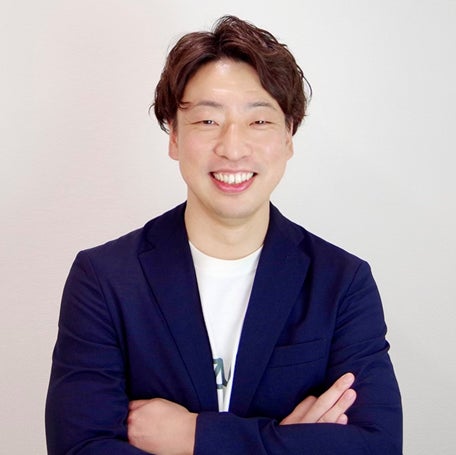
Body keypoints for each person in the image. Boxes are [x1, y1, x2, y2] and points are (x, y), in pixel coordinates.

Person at [45, 15, 402, 454]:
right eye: (207, 121)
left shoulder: (341, 282)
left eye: (259, 121)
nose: (233, 148)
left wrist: (192, 436)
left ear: (289, 136)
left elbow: (377, 446)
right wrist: (287, 441)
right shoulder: (104, 279)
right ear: (174, 136)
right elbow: (79, 448)